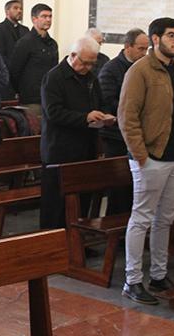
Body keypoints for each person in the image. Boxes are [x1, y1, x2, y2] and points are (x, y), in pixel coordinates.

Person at [119, 18, 174, 305]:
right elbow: (127, 116)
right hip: (151, 156)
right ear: (156, 39)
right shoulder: (139, 70)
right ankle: (132, 280)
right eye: (171, 36)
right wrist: (140, 154)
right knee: (141, 218)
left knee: (165, 219)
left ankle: (158, 274)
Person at [39, 37, 109, 229]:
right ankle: (54, 246)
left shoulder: (91, 78)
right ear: (72, 55)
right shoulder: (54, 77)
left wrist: (104, 116)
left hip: (85, 148)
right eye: (85, 62)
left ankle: (78, 243)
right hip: (59, 149)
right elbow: (53, 113)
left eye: (92, 63)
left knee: (82, 201)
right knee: (56, 205)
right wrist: (85, 117)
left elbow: (99, 103)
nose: (88, 67)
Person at [98, 28, 150, 215]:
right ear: (127, 46)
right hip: (116, 137)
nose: (144, 54)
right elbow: (109, 101)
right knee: (120, 189)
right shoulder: (110, 69)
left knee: (136, 189)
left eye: (147, 49)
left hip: (138, 134)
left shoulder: (144, 68)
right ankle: (118, 236)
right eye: (141, 49)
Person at [8, 3, 58, 120]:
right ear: (34, 19)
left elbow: (55, 70)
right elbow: (15, 71)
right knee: (33, 132)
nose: (48, 19)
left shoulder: (53, 43)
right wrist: (21, 91)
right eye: (44, 16)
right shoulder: (25, 42)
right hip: (31, 98)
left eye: (50, 16)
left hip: (49, 97)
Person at [0, 0, 28, 100]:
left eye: (20, 8)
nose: (19, 11)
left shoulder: (25, 30)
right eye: (15, 8)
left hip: (23, 78)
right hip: (7, 77)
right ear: (7, 11)